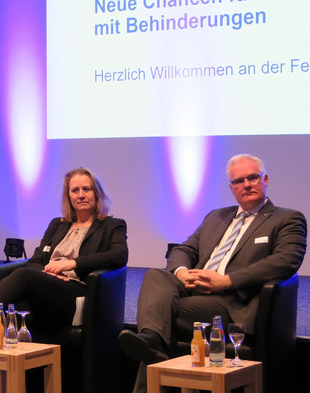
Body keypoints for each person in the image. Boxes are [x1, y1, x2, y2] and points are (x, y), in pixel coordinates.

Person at [119, 154, 307, 393]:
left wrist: (227, 281)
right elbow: (183, 249)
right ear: (231, 188)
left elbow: (285, 261)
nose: (246, 185)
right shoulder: (217, 216)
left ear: (265, 179)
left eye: (252, 178)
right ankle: (151, 339)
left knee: (161, 316)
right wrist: (182, 272)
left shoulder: (286, 218)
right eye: (238, 181)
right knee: (156, 276)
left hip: (233, 301)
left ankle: (151, 344)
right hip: (195, 289)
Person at [0, 167, 128, 363]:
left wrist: (71, 263)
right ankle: (13, 372)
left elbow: (119, 255)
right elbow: (36, 261)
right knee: (19, 306)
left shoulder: (112, 225)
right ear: (68, 196)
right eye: (75, 190)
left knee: (23, 276)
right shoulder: (58, 224)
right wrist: (49, 275)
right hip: (50, 290)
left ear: (97, 192)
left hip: (79, 295)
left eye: (87, 189)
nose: (81, 195)